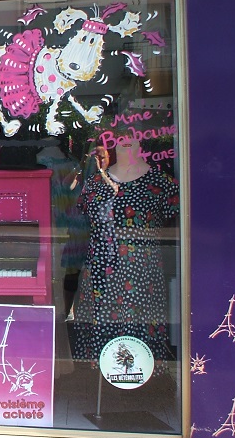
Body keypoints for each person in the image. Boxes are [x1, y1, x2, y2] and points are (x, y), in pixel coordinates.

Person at [71, 134, 180, 371]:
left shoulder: (163, 182)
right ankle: (100, 373)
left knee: (139, 320)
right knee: (102, 319)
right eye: (121, 137)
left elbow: (174, 225)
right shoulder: (95, 182)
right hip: (100, 266)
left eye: (132, 137)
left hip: (141, 266)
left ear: (141, 144)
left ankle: (143, 374)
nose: (127, 140)